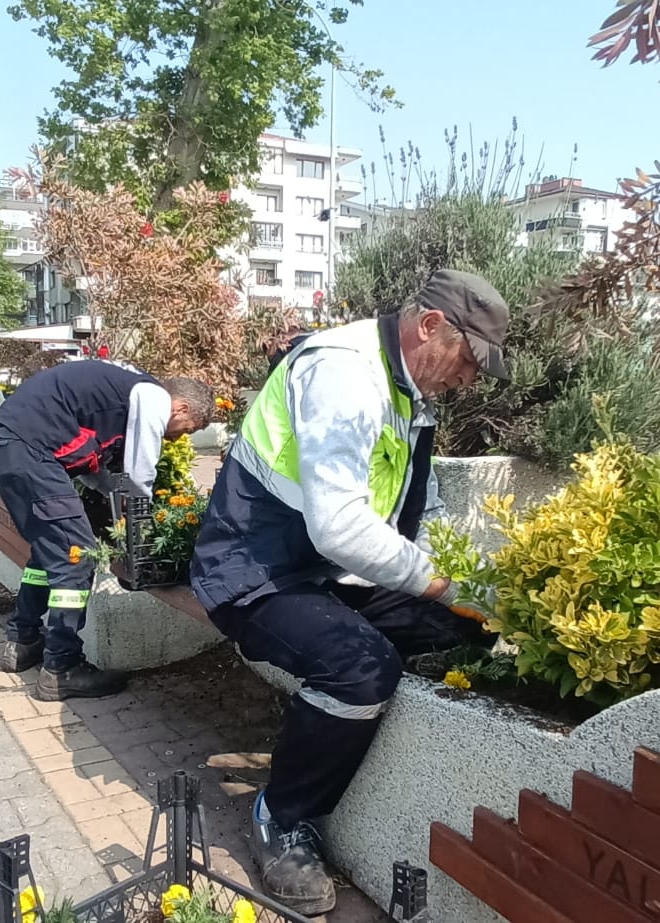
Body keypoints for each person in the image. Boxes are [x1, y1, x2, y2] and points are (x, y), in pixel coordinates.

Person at [188, 269, 510, 915]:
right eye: (470, 359)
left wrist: (474, 587)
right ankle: (283, 815)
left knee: (466, 632)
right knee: (358, 667)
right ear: (430, 326)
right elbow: (339, 526)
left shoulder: (406, 392)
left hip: (330, 573)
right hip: (257, 571)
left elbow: (423, 512)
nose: (469, 378)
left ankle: (376, 758)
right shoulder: (345, 372)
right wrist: (440, 583)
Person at [0, 360, 216, 701]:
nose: (178, 437)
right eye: (187, 428)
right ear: (180, 407)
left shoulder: (122, 396)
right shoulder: (151, 395)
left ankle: (23, 641)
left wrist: (114, 488)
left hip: (8, 446)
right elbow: (141, 473)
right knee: (76, 558)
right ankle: (62, 669)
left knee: (50, 552)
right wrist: (143, 519)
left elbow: (95, 473)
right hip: (31, 452)